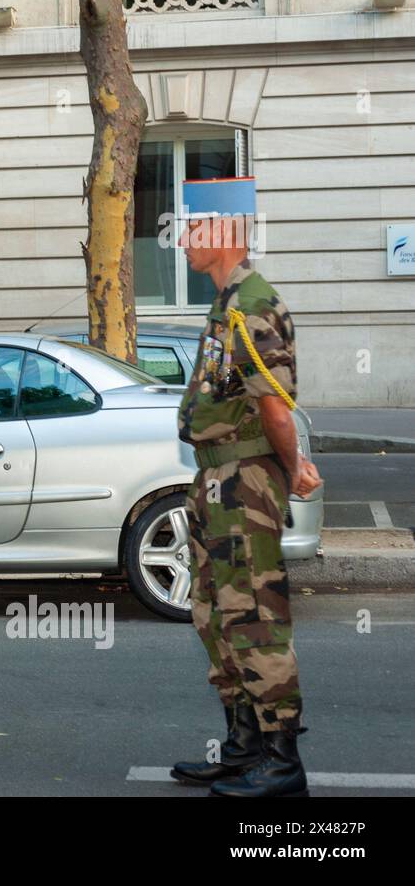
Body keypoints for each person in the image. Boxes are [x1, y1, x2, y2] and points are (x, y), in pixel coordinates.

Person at [168, 177, 323, 798]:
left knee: (255, 616)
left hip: (243, 482)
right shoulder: (226, 303)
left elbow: (275, 408)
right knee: (213, 611)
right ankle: (244, 745)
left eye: (191, 228)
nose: (180, 240)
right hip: (215, 480)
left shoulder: (254, 304)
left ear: (223, 232)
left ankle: (283, 762)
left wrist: (291, 469)